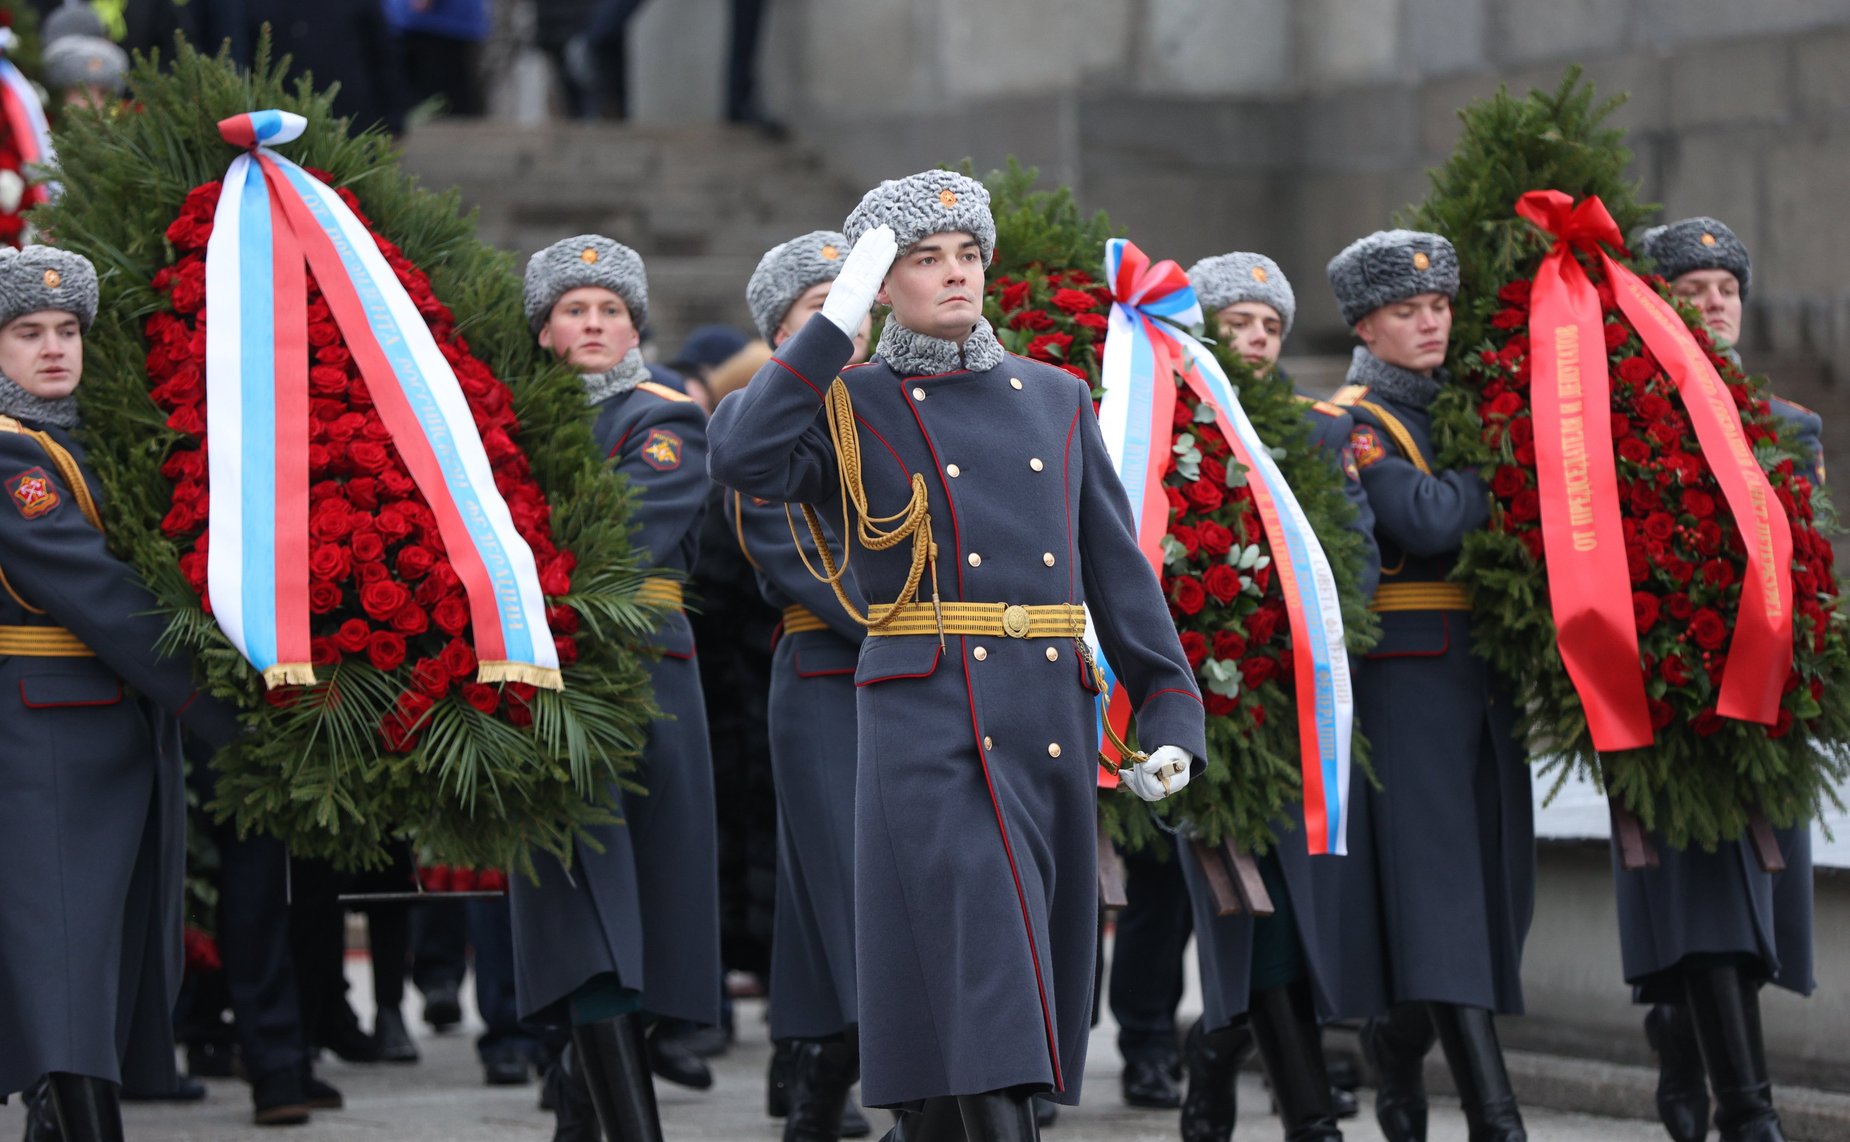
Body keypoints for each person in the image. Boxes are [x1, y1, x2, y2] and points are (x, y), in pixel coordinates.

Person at [709, 169, 1206, 1141]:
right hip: (926, 721)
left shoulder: (1053, 395)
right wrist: (830, 324)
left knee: (988, 1007)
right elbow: (744, 457)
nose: (953, 274)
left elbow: (1117, 572)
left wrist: (1168, 708)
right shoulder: (848, 401)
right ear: (881, 283)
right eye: (922, 259)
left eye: (966, 254)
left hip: (1045, 722)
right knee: (985, 969)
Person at [0, 245, 242, 1140]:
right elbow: (97, 592)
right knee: (63, 965)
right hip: (49, 730)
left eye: (68, 331)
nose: (54, 348)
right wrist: (223, 709)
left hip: (109, 723)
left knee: (90, 961)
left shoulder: (77, 438)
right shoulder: (12, 456)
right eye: (28, 332)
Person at [1614, 216, 1819, 1142]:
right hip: (1677, 691)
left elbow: (1814, 560)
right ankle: (1749, 1110)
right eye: (1690, 294)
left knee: (1756, 894)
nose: (1712, 307)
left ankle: (1683, 1038)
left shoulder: (1791, 428)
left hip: (1770, 695)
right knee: (1703, 893)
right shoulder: (1629, 428)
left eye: (1725, 291)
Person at [513, 233, 721, 1142]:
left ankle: (592, 1108)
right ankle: (588, 1106)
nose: (594, 324)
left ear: (635, 327)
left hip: (641, 681)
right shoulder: (503, 422)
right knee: (577, 909)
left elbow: (620, 543)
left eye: (611, 310)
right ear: (545, 331)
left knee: (635, 913)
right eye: (573, 309)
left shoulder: (664, 418)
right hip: (538, 678)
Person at [1171, 251, 1382, 1142]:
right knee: (1244, 902)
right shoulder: (1165, 426)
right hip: (1208, 696)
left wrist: (1320, 648)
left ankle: (1213, 1058)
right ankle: (1309, 1119)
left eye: (1270, 326)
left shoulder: (1321, 432)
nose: (1256, 339)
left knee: (1289, 906)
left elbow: (1356, 554)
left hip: (1296, 696)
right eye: (1238, 322)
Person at [1327, 230, 1532, 1142]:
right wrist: (1499, 461)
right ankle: (1496, 1114)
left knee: (1490, 894)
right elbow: (1428, 515)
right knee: (1444, 894)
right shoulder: (1357, 418)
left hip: (1480, 673)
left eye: (1439, 307)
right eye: (1408, 311)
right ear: (1367, 325)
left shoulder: (1461, 408)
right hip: (1407, 679)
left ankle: (1395, 1038)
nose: (1429, 323)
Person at [729, 229, 875, 1142]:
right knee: (845, 884)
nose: (842, 332)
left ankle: (821, 1079)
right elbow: (801, 562)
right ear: (783, 337)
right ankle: (845, 1076)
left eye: (853, 311)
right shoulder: (763, 424)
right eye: (818, 316)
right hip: (830, 672)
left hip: (924, 676)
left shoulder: (906, 407)